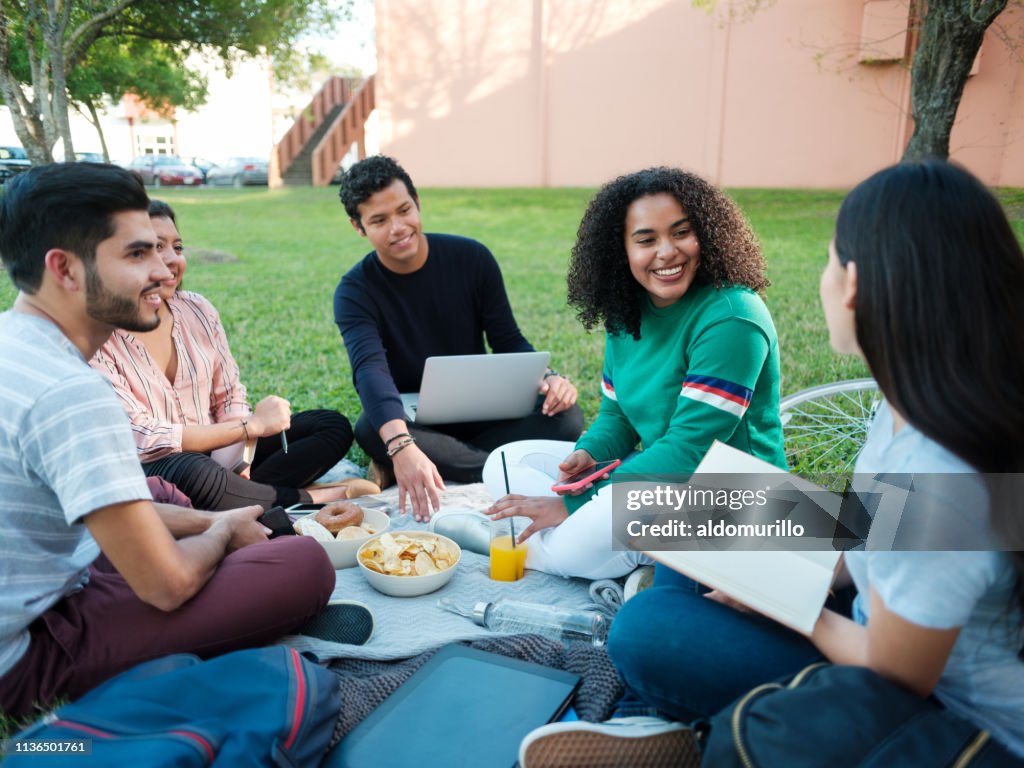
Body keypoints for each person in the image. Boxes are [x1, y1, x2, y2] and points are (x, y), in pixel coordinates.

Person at [518, 160, 1024, 766]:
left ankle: (663, 724)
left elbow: (900, 671)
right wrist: (773, 560)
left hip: (937, 711)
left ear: (855, 284)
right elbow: (877, 528)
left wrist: (791, 602)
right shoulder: (922, 406)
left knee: (645, 626)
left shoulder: (939, 468)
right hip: (870, 598)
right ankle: (663, 716)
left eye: (830, 259)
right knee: (688, 529)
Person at [0, 163, 340, 718]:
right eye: (137, 254)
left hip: (64, 572)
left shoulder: (14, 340)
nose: (163, 269)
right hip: (30, 652)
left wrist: (208, 522)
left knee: (161, 492)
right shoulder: (72, 393)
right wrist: (225, 526)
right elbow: (168, 585)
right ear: (63, 268)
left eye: (162, 251)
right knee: (304, 563)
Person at [486, 166, 786, 579]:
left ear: (707, 234)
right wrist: (588, 453)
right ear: (620, 250)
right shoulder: (627, 311)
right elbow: (618, 415)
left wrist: (572, 504)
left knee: (580, 532)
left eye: (681, 233)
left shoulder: (733, 318)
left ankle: (520, 544)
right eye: (646, 240)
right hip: (663, 477)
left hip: (735, 499)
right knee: (504, 460)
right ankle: (575, 544)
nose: (667, 252)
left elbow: (688, 449)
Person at [334, 155, 584, 521]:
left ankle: (458, 463)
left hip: (484, 408)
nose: (398, 227)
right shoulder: (354, 291)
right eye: (379, 220)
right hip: (417, 420)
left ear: (418, 202)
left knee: (567, 417)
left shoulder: (472, 258)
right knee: (372, 428)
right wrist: (402, 444)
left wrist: (549, 380)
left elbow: (508, 339)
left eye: (404, 210)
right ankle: (498, 465)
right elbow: (370, 371)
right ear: (359, 227)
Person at [90, 200, 355, 511]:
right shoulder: (95, 337)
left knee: (330, 425)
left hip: (217, 454)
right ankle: (317, 499)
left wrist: (240, 454)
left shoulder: (197, 309)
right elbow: (143, 437)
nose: (171, 260)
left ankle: (241, 495)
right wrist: (249, 428)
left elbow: (228, 396)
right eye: (153, 248)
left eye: (176, 247)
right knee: (195, 472)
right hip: (156, 468)